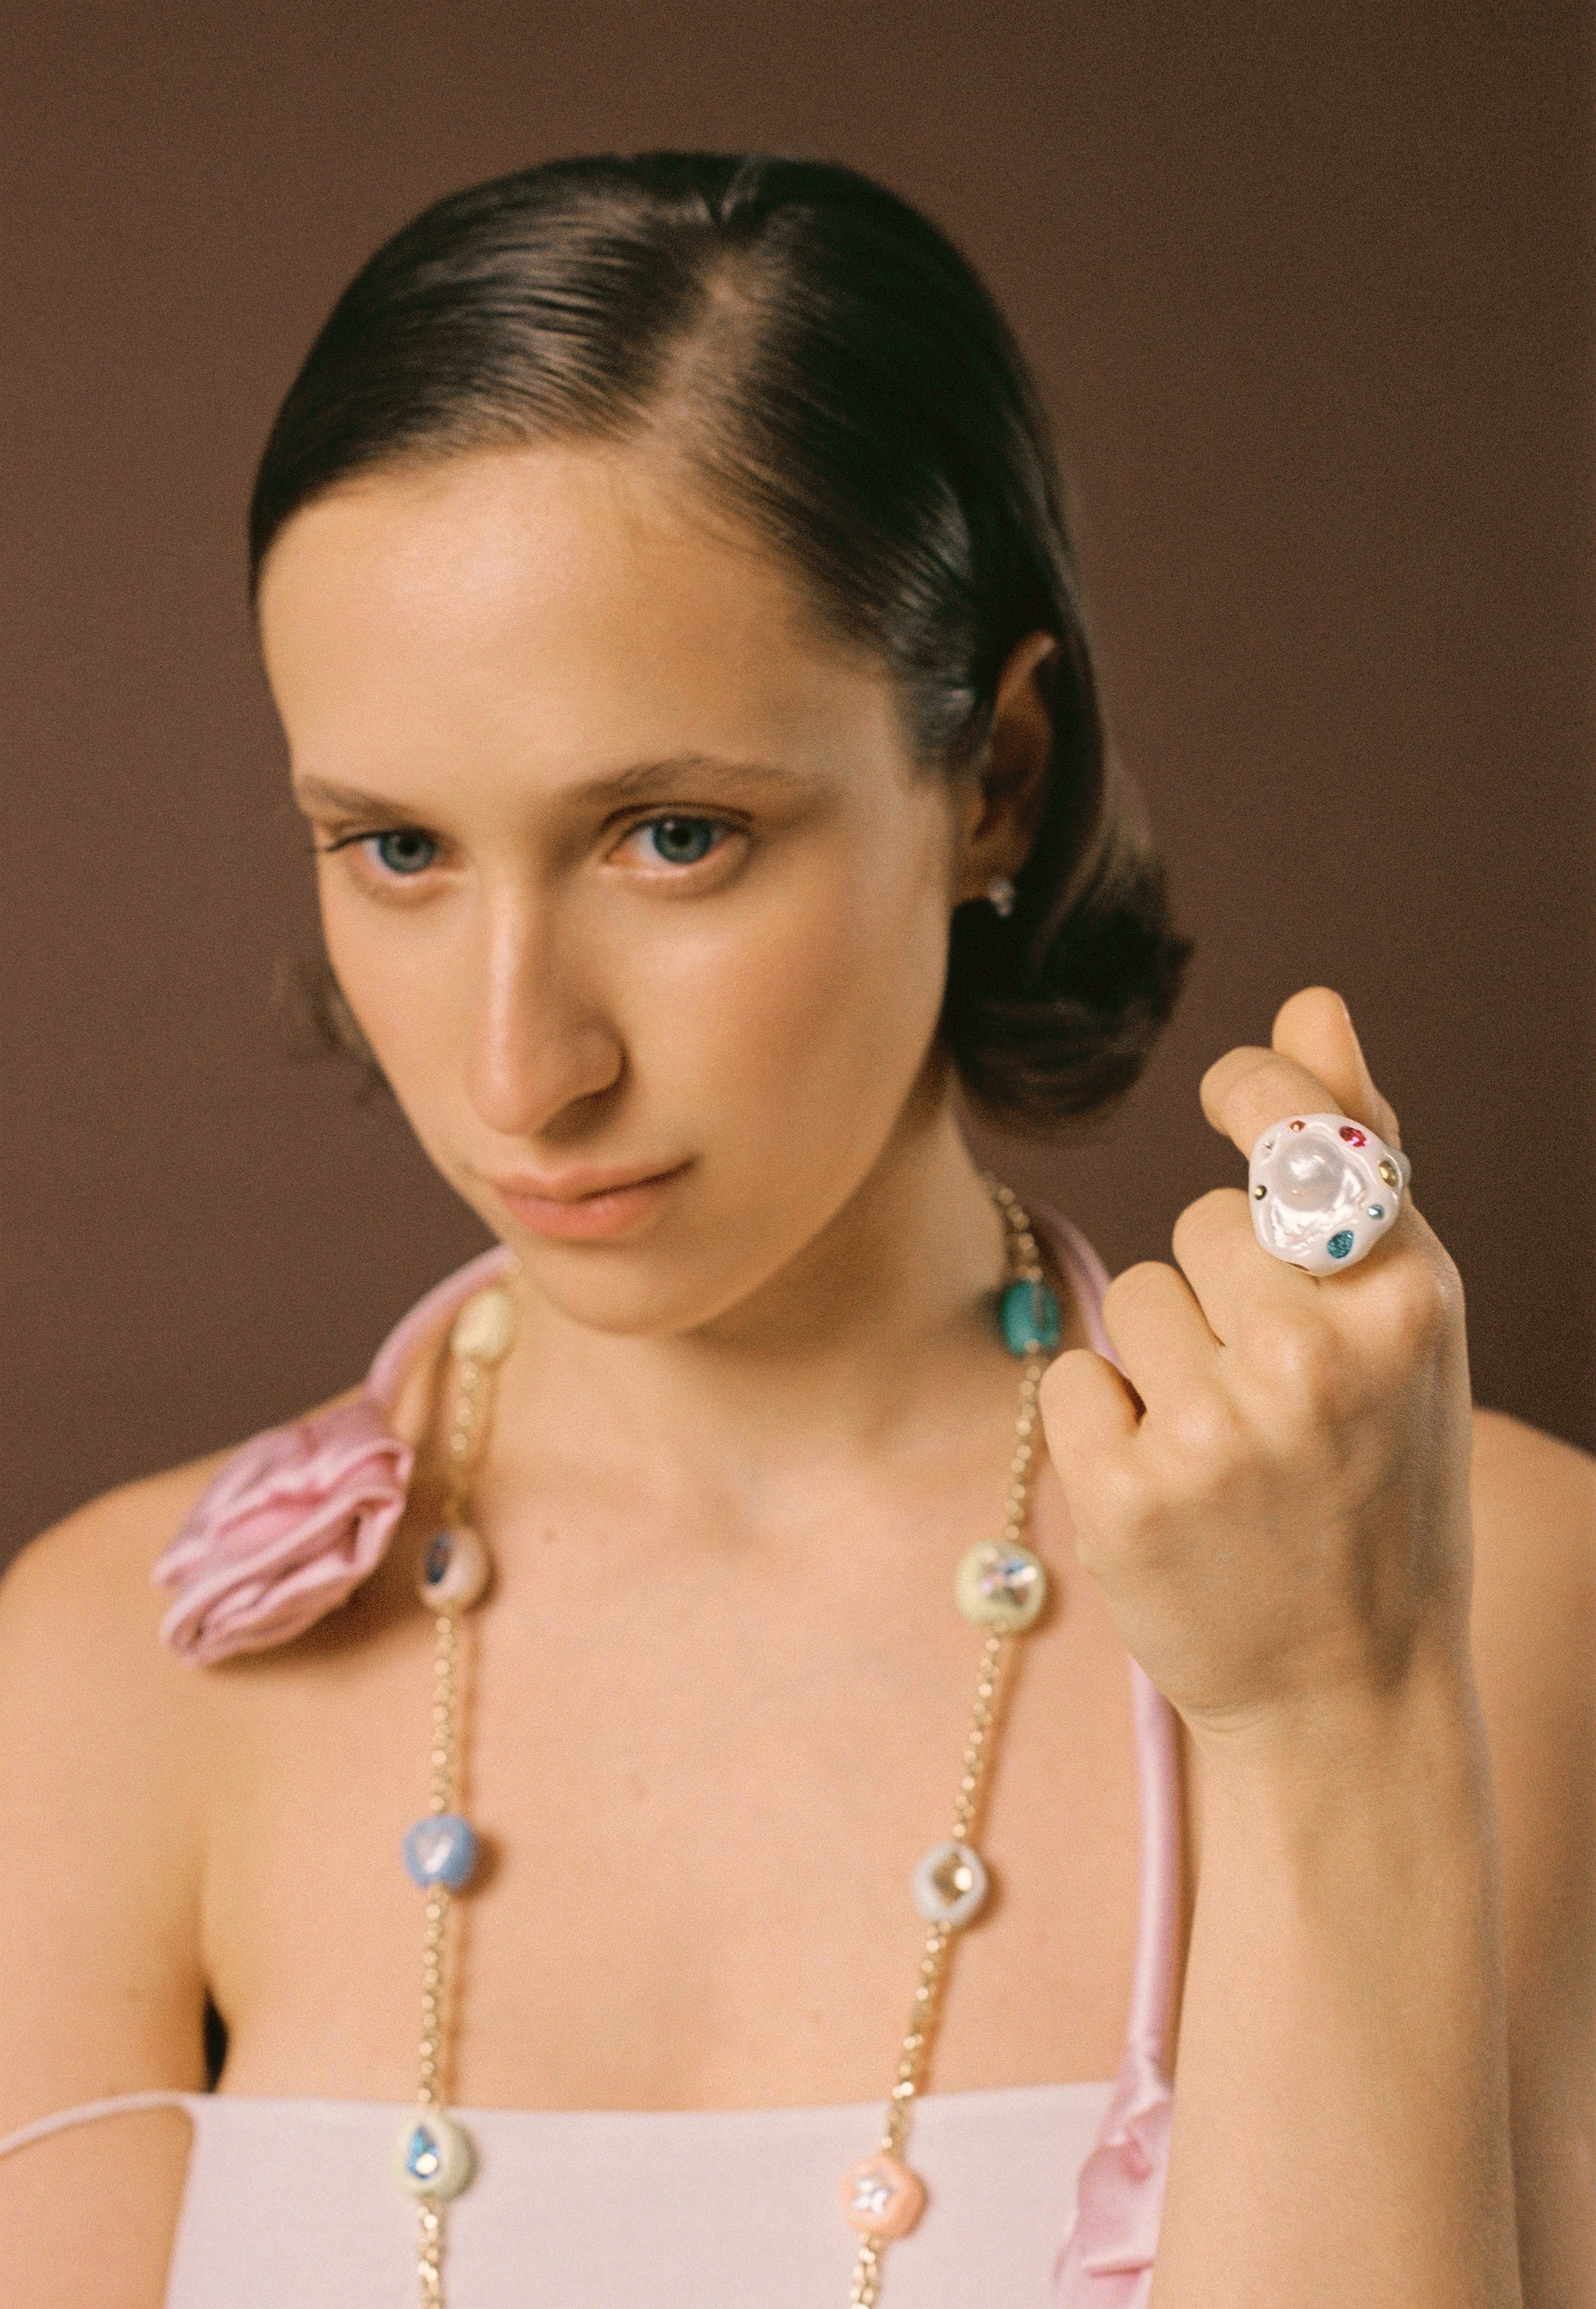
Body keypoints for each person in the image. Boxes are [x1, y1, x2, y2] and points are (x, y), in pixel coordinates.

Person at [0, 151, 1588, 2309]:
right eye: (396, 848)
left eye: (672, 835)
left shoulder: (1502, 1593)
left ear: (995, 776)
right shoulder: (115, 1670)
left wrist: (1333, 1715)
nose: (519, 1068)